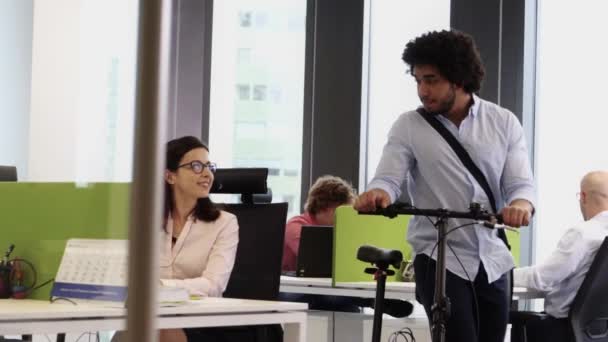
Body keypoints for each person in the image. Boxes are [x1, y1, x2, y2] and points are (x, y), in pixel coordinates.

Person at [354, 30, 535, 342]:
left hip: (492, 258)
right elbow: (388, 178)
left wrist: (521, 205)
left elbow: (521, 184)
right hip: (438, 256)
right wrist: (379, 193)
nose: (423, 90)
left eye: (432, 80)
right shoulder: (409, 126)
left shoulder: (503, 122)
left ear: (458, 78)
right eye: (418, 80)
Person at [114, 136, 239, 342]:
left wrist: (161, 286)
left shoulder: (224, 223)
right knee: (130, 332)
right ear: (170, 176)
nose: (207, 174)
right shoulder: (147, 221)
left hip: (200, 320)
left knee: (158, 330)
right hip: (151, 316)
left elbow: (213, 284)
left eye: (209, 166)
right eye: (196, 166)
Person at [513, 171, 608, 341]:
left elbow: (541, 279)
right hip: (597, 333)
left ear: (584, 197)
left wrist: (503, 275)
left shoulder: (583, 233)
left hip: (561, 330)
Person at [282, 175, 356, 272]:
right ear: (327, 207)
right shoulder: (296, 226)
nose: (345, 217)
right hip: (288, 285)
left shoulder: (335, 229)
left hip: (314, 282)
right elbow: (314, 257)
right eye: (342, 211)